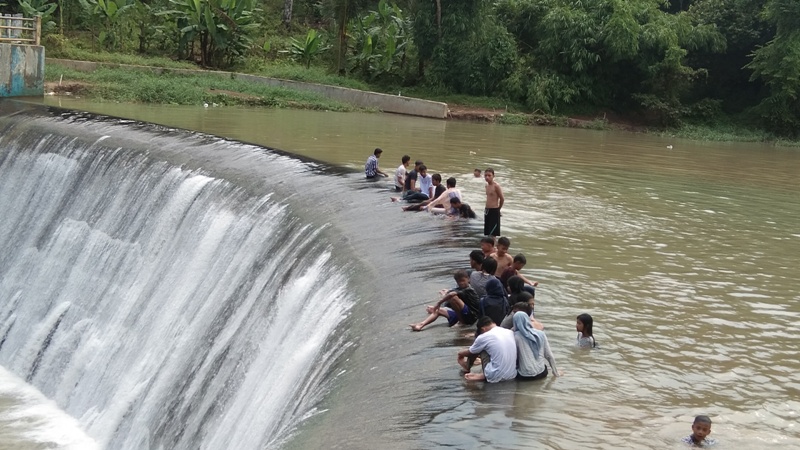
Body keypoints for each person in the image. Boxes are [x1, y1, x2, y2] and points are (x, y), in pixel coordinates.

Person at [410, 270, 480, 331]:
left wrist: (438, 303)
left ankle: (461, 322)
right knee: (439, 310)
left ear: (468, 279)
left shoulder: (469, 290)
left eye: (462, 280)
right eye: (459, 281)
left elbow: (452, 294)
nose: (461, 283)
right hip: (462, 315)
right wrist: (436, 307)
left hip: (471, 317)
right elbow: (450, 293)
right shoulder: (459, 289)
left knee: (453, 298)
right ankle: (421, 325)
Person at [457, 316, 517, 382]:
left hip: (495, 377)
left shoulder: (484, 336)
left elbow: (471, 352)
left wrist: (460, 354)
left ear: (483, 329)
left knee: (479, 348)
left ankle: (470, 369)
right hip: (512, 375)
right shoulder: (509, 332)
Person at [513, 312, 560, 380]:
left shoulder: (516, 336)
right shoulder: (541, 334)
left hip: (525, 376)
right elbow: (549, 355)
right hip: (542, 373)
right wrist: (556, 373)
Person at [484, 168, 504, 236]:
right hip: (487, 210)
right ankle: (489, 246)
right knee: (487, 232)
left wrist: (498, 209)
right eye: (486, 175)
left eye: (489, 175)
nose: (487, 177)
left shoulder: (496, 186)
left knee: (493, 233)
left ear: (493, 176)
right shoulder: (486, 186)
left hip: (494, 210)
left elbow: (502, 198)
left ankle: (494, 246)